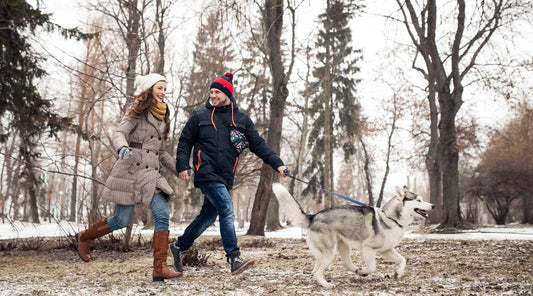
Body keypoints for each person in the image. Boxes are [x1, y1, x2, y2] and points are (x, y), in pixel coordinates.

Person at [170, 72, 287, 275]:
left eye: (216, 92)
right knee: (226, 208)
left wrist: (278, 164)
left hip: (225, 176)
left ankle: (179, 246)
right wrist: (182, 166)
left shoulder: (241, 120)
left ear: (226, 93)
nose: (212, 96)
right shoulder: (199, 116)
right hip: (205, 171)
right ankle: (234, 257)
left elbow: (258, 145)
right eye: (211, 92)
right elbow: (185, 141)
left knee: (208, 217)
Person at [75, 73, 182, 282]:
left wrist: (180, 170)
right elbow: (118, 133)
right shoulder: (136, 111)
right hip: (131, 171)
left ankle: (159, 267)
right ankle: (85, 237)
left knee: (162, 215)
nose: (163, 92)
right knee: (122, 220)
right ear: (150, 89)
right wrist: (122, 147)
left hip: (151, 175)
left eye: (165, 89)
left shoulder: (163, 116)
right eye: (160, 88)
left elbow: (161, 152)